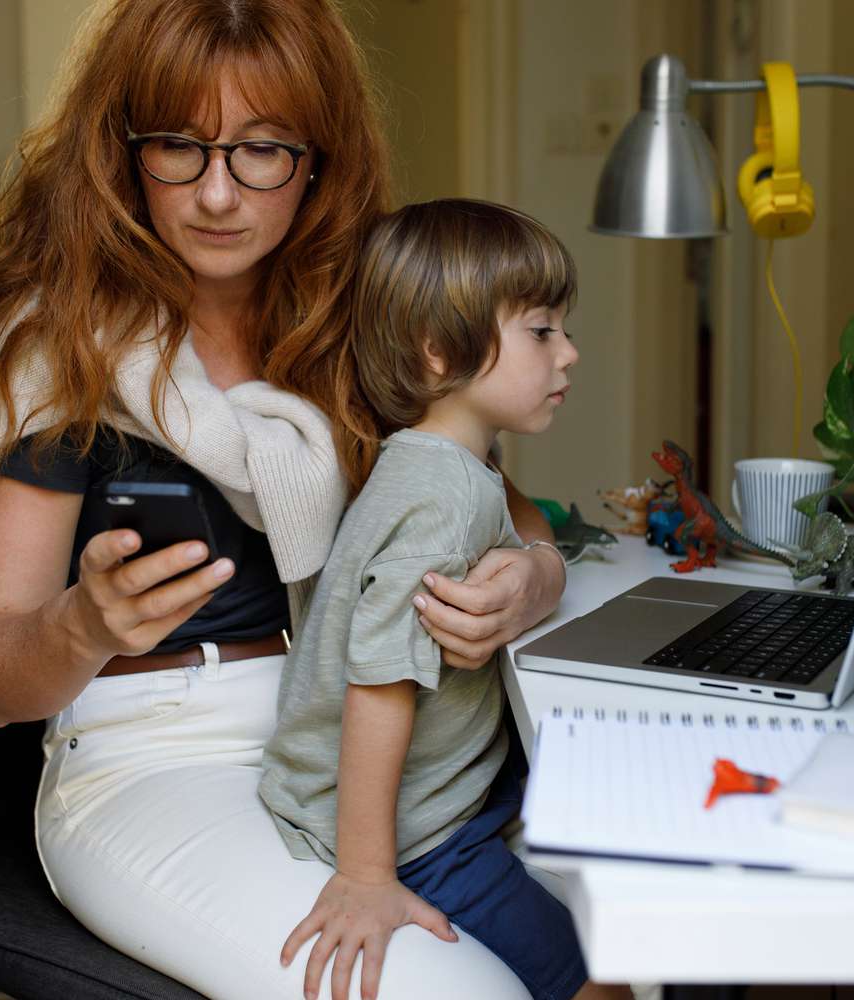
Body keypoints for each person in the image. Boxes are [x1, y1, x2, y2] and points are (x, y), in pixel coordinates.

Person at [0, 2, 569, 998]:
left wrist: (528, 582)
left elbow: (517, 520)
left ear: (318, 161)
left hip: (353, 726)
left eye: (262, 150)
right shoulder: (60, 354)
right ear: (125, 154)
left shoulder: (355, 331)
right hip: (157, 760)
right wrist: (79, 622)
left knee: (631, 923)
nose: (218, 193)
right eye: (180, 147)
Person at [260, 200, 625, 1000]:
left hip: (449, 783)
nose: (569, 353)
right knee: (601, 985)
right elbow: (379, 685)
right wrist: (366, 874)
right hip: (421, 833)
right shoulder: (441, 499)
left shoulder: (450, 463)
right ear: (437, 353)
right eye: (541, 331)